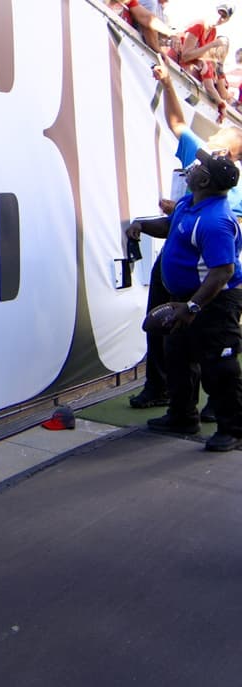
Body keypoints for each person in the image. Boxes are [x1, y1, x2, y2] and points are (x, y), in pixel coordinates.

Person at [125, 58, 242, 422]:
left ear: (226, 156)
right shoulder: (199, 186)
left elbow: (221, 264)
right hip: (183, 273)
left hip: (210, 286)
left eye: (220, 138)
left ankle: (223, 420)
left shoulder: (219, 206)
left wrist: (192, 305)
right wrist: (149, 224)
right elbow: (177, 124)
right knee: (175, 343)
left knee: (214, 356)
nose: (210, 138)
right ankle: (179, 409)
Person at [130, 148, 242, 451]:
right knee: (177, 355)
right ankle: (182, 416)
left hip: (215, 301)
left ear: (204, 180)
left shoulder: (216, 220)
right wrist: (142, 224)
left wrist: (193, 306)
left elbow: (222, 272)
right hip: (186, 297)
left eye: (198, 167)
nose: (191, 168)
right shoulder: (190, 203)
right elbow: (170, 227)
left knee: (220, 365)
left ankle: (232, 429)